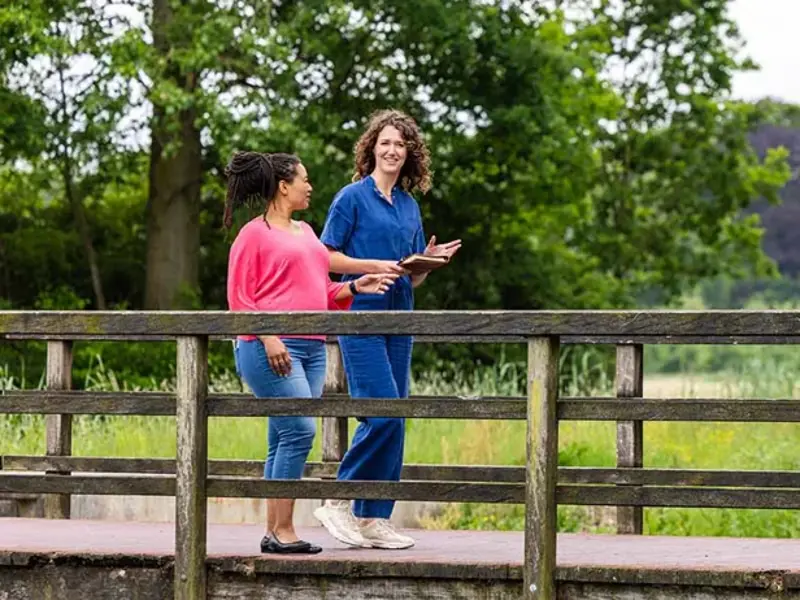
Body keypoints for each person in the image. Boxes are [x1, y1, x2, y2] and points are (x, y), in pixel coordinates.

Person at [224, 150, 400, 555]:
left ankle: (273, 531)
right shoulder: (254, 234)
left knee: (282, 436)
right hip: (268, 348)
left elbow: (319, 292)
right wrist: (269, 337)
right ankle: (284, 531)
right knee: (301, 430)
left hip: (312, 346)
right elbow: (239, 297)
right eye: (304, 179)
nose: (310, 186)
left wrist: (356, 287)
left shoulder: (306, 232)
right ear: (284, 186)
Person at [313, 110, 462, 549]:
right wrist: (369, 267)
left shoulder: (410, 206)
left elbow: (407, 275)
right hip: (361, 317)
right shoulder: (351, 199)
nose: (393, 150)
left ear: (409, 153)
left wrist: (427, 262)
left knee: (396, 416)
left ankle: (373, 518)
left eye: (401, 145)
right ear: (372, 149)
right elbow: (325, 257)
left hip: (402, 319)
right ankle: (339, 500)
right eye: (386, 143)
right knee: (379, 412)